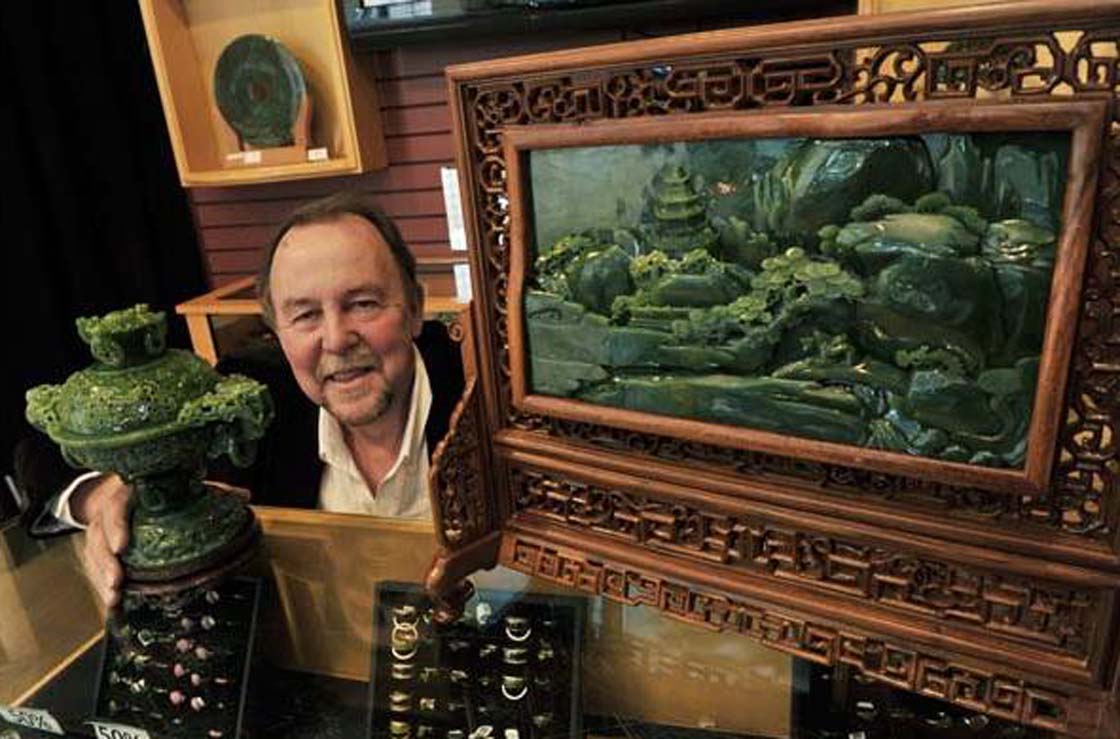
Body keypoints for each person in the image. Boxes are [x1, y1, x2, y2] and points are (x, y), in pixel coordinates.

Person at [17, 192, 465, 606]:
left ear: (415, 308)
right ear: (277, 331)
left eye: (363, 303)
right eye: (306, 315)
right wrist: (110, 494)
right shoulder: (246, 393)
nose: (336, 338)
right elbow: (40, 455)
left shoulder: (483, 383)